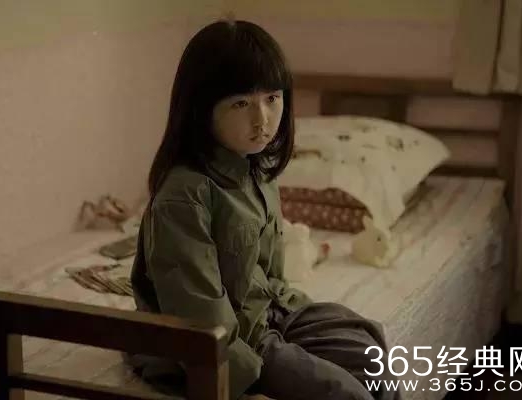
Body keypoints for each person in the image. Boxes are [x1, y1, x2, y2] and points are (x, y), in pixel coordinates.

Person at [129, 19, 397, 400]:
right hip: (228, 342)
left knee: (372, 353)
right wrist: (243, 385)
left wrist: (295, 323)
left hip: (270, 314)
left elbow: (270, 277)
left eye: (272, 99)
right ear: (201, 109)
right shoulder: (184, 196)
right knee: (346, 394)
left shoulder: (257, 170)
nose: (262, 120)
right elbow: (199, 320)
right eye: (241, 103)